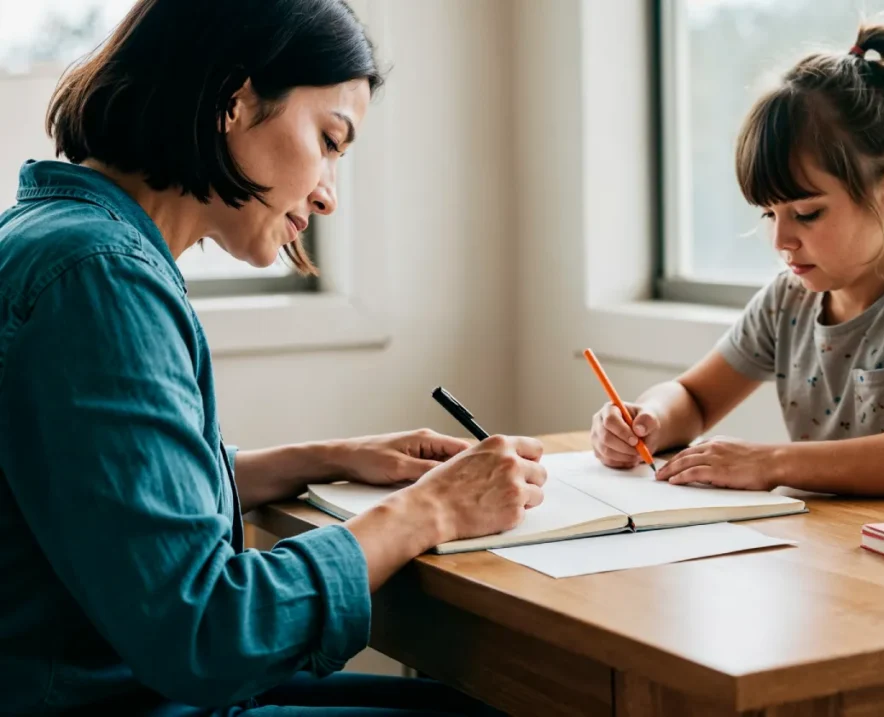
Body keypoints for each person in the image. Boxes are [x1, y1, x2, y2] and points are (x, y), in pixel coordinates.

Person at [0, 1, 544, 715]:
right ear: (235, 100)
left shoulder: (54, 236)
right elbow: (207, 632)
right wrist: (428, 509)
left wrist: (334, 456)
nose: (327, 196)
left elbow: (119, 502)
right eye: (328, 140)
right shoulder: (98, 276)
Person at [591, 21, 884, 501]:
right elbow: (694, 398)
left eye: (807, 213)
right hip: (843, 553)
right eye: (770, 213)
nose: (780, 239)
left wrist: (769, 463)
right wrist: (647, 420)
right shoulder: (788, 299)